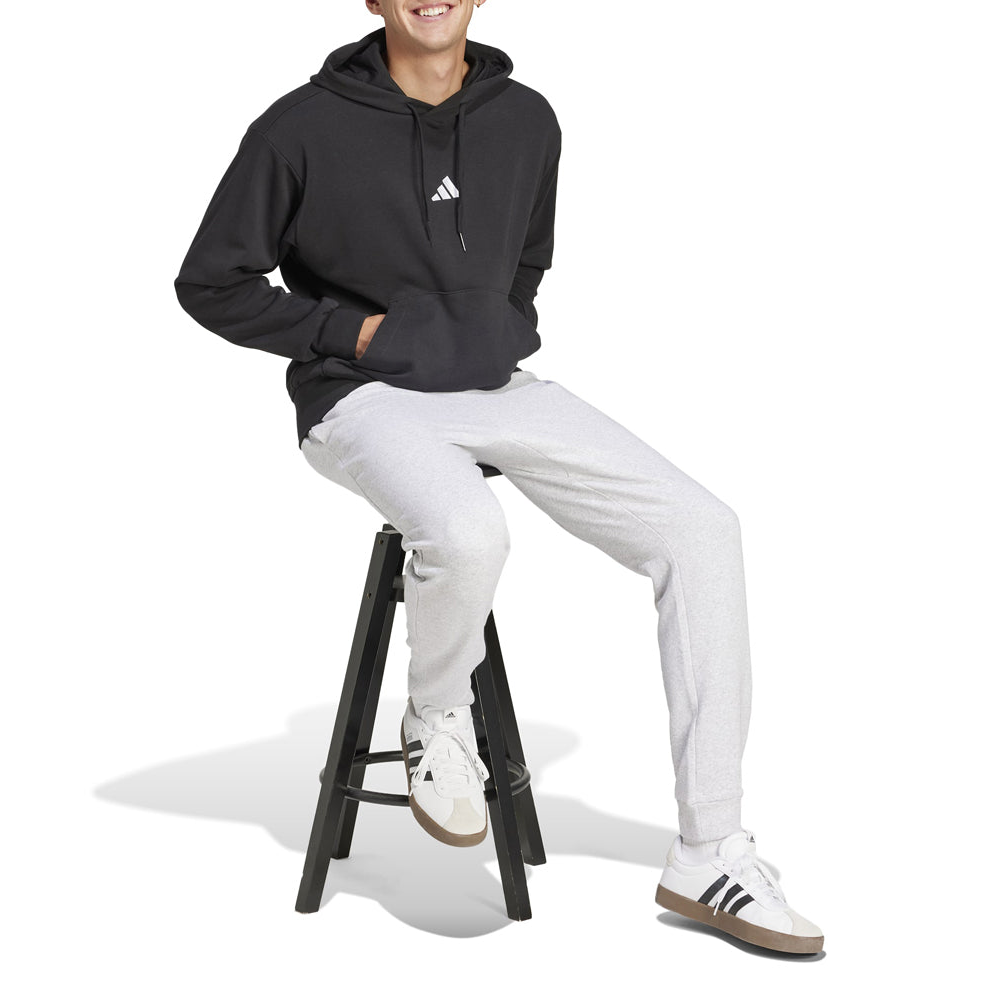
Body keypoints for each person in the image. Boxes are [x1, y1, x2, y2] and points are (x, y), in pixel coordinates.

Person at [174, 0, 824, 954]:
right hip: (359, 394)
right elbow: (210, 281)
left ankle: (709, 849)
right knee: (469, 530)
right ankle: (436, 717)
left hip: (497, 384)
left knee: (703, 529)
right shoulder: (298, 126)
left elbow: (529, 258)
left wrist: (489, 331)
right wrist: (354, 334)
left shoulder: (527, 117)